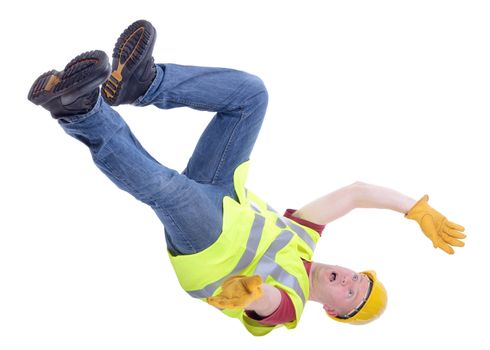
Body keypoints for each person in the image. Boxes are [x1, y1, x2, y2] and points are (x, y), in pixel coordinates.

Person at [27, 19, 467, 336]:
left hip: (210, 242)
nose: (351, 282)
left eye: (353, 296)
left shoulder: (292, 304)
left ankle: (79, 109)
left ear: (334, 312)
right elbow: (355, 194)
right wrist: (415, 208)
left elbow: (268, 307)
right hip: (225, 193)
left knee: (167, 189)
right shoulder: (303, 241)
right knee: (250, 96)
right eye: (361, 279)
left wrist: (251, 295)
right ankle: (141, 83)